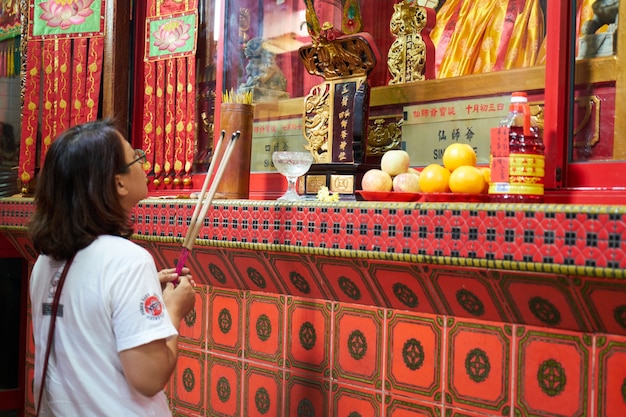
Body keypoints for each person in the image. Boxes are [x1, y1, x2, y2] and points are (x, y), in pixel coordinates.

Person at [28, 120, 196, 416]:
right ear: (118, 183)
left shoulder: (43, 263)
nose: (144, 165)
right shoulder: (127, 260)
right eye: (137, 158)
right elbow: (149, 377)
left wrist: (141, 295)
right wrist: (173, 310)